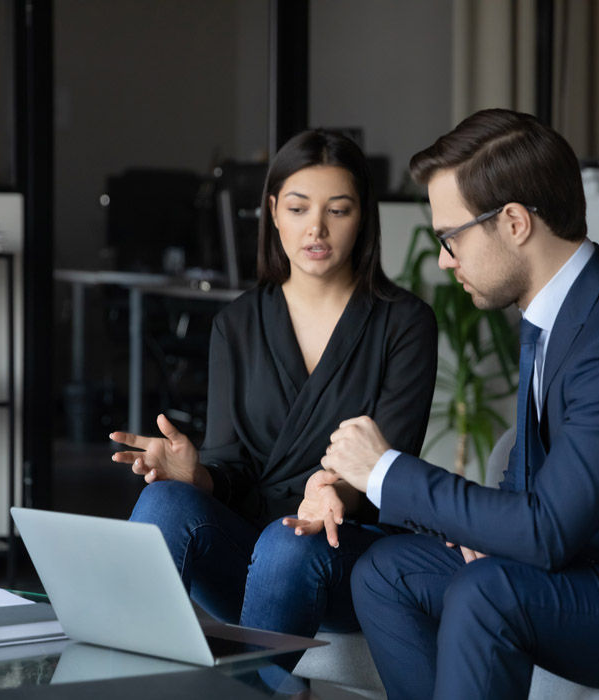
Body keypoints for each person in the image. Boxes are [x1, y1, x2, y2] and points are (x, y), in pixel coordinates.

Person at [321, 109, 599, 699]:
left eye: (451, 237)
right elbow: (527, 496)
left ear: (515, 222)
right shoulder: (556, 312)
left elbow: (545, 531)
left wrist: (384, 470)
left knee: (488, 591)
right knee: (388, 573)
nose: (444, 259)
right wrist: (367, 487)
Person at [110, 129, 437, 672]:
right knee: (166, 502)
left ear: (363, 218)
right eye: (299, 207)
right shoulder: (236, 324)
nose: (317, 228)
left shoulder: (403, 324)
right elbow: (231, 469)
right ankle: (116, 681)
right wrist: (199, 477)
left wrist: (332, 490)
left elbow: (383, 470)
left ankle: (256, 689)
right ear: (273, 213)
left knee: (290, 544)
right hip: (247, 548)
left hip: (341, 549)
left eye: (339, 209)